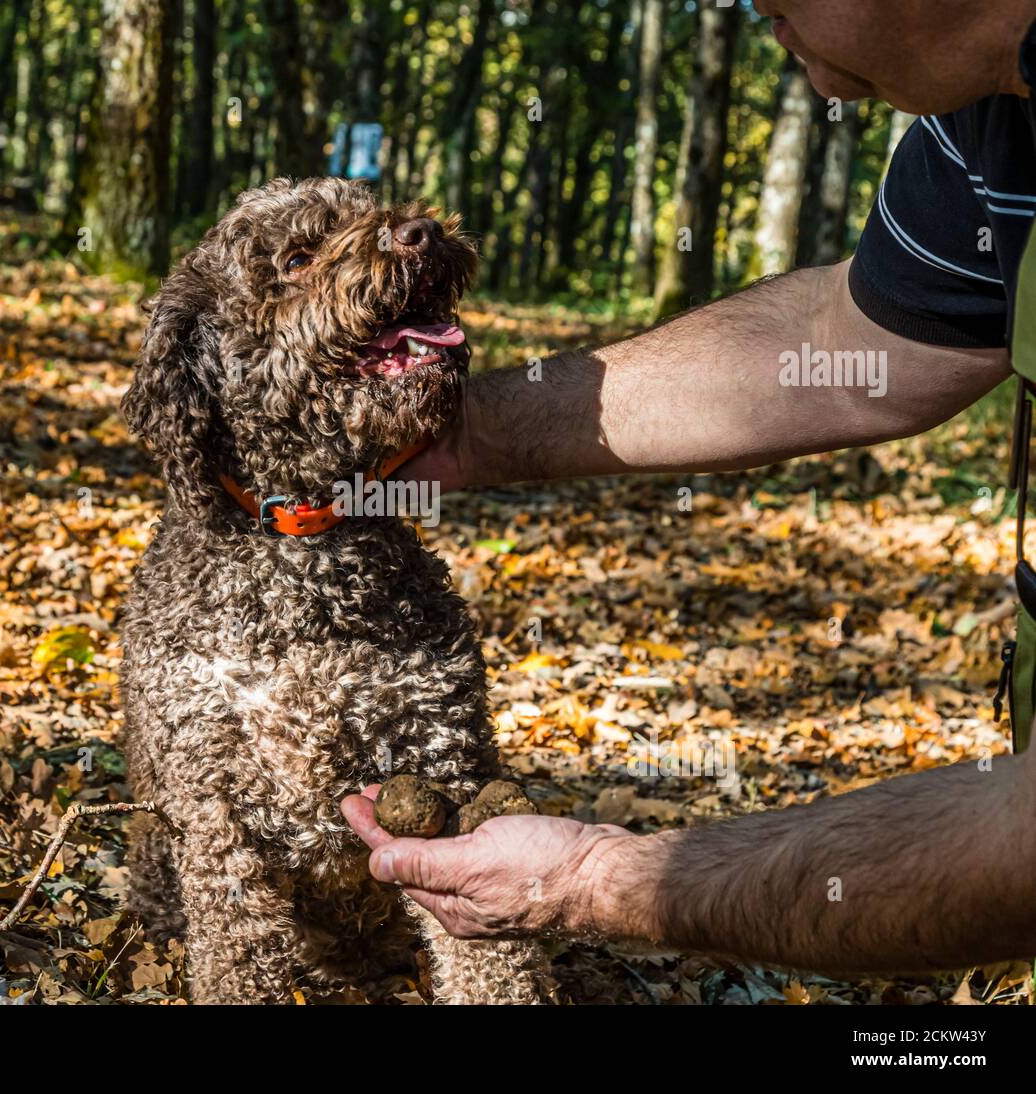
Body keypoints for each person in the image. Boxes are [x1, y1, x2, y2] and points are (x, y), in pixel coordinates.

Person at [341, 0, 1036, 974]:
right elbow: (847, 347)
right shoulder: (985, 114)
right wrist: (471, 432)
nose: (752, 12)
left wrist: (591, 876)